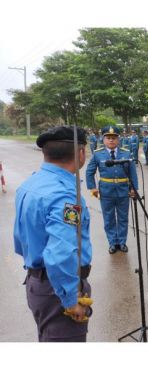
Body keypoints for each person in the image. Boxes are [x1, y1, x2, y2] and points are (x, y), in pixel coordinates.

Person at [14, 126, 93, 341]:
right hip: (59, 291)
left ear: (45, 153)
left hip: (38, 282)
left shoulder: (30, 184)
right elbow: (60, 254)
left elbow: (21, 241)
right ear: (80, 153)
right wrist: (70, 300)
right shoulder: (65, 196)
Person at [86, 125, 138, 254]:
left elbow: (133, 173)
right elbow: (89, 171)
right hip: (106, 191)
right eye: (108, 138)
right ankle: (112, 242)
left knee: (123, 218)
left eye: (114, 138)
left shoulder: (126, 153)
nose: (111, 140)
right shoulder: (98, 154)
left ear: (118, 139)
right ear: (103, 139)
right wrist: (92, 188)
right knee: (108, 218)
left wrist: (134, 189)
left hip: (123, 190)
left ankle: (122, 242)